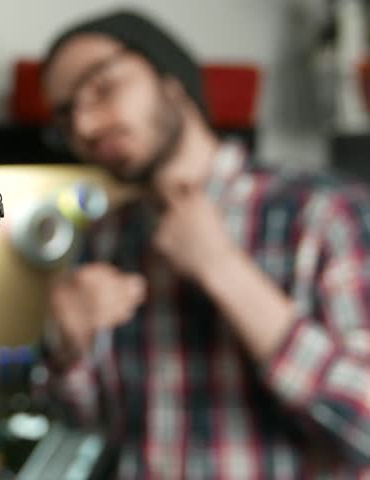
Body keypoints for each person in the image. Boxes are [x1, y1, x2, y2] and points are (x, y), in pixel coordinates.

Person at [36, 10, 370, 478]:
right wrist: (68, 348)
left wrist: (224, 270)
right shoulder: (105, 238)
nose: (86, 124)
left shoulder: (326, 212)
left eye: (103, 87)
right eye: (67, 114)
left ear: (171, 80)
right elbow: (82, 424)